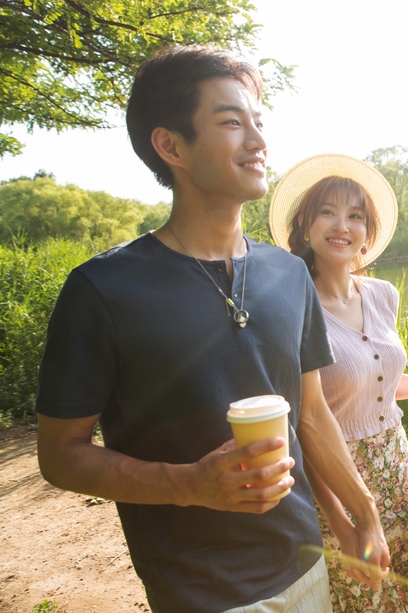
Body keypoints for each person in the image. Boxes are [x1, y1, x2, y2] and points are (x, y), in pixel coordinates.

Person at [34, 46, 388, 613]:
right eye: (230, 122)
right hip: (200, 590)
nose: (257, 140)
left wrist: (363, 516)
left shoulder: (289, 273)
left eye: (258, 122)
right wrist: (188, 485)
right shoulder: (102, 290)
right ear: (171, 145)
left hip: (303, 564)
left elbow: (312, 413)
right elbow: (60, 455)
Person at [268, 154, 408, 612]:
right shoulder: (289, 309)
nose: (341, 225)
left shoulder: (383, 294)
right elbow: (301, 426)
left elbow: (376, 386)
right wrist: (342, 523)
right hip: (339, 480)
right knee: (369, 600)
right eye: (327, 211)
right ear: (305, 225)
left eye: (355, 215)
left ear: (367, 234)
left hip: (399, 468)